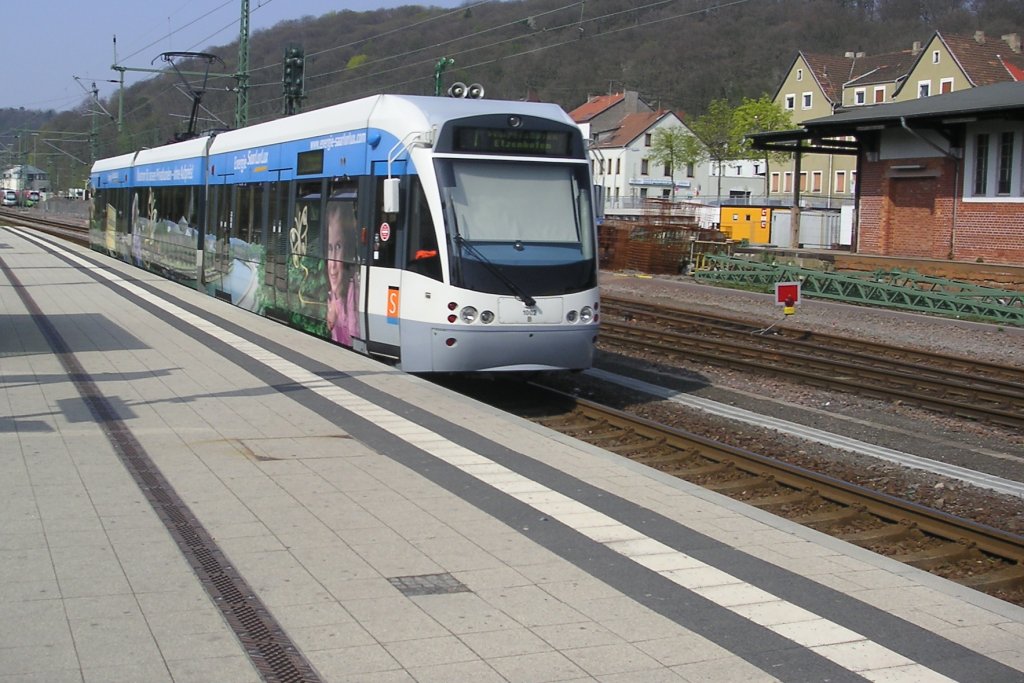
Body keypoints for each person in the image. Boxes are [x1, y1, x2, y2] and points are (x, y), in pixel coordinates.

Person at [325, 199, 361, 345]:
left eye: (338, 247)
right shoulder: (333, 296)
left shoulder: (353, 294)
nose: (332, 264)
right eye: (330, 248)